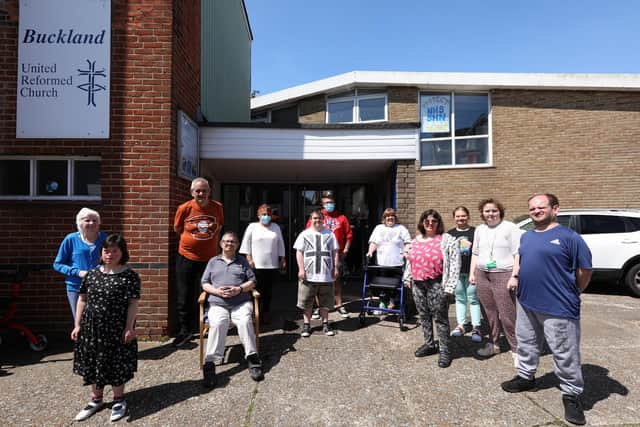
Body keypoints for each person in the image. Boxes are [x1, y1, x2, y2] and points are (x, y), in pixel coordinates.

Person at [501, 194, 592, 426]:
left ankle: (571, 394)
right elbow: (521, 260)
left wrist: (574, 292)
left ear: (555, 209)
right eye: (532, 207)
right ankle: (526, 376)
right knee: (527, 343)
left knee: (564, 351)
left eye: (541, 207)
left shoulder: (570, 237)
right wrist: (516, 277)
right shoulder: (528, 236)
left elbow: (585, 270)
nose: (536, 211)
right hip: (526, 301)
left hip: (558, 306)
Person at [71, 234, 140, 422]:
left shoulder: (130, 276)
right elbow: (82, 299)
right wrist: (77, 325)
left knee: (116, 362)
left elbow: (133, 304)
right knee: (93, 362)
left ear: (122, 252)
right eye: (106, 250)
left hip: (116, 328)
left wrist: (129, 328)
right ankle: (96, 400)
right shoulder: (92, 273)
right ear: (101, 252)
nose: (109, 254)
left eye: (114, 251)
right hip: (91, 328)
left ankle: (119, 400)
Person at [201, 231, 263, 388]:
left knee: (244, 321)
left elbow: (253, 282)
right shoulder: (213, 262)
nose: (229, 244)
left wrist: (239, 289)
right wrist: (216, 291)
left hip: (240, 302)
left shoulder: (242, 262)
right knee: (218, 323)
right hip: (218, 303)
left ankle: (252, 359)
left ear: (237, 245)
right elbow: (204, 283)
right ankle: (210, 364)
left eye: (233, 242)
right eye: (227, 241)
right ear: (221, 244)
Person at [404, 209, 460, 368]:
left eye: (433, 221)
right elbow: (411, 260)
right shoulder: (416, 240)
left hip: (436, 283)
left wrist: (450, 286)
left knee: (441, 318)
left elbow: (455, 264)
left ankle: (445, 350)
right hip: (418, 283)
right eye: (426, 221)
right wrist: (407, 276)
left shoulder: (446, 239)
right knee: (423, 316)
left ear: (438, 223)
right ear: (422, 222)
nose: (430, 223)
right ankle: (429, 344)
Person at [173, 177, 224, 347]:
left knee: (211, 293)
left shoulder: (217, 207)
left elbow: (220, 225)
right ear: (192, 192)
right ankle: (185, 330)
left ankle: (209, 325)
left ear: (210, 192)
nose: (201, 194)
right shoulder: (184, 208)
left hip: (210, 259)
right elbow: (178, 229)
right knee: (184, 295)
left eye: (204, 190)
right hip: (186, 257)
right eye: (197, 191)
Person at [469, 198, 521, 363]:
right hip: (482, 274)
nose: (490, 214)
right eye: (487, 211)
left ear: (500, 212)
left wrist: (515, 276)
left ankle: (516, 349)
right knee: (489, 312)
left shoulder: (510, 228)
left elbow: (517, 254)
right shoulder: (479, 230)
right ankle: (494, 344)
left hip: (503, 274)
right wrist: (472, 273)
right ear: (482, 213)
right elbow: (475, 253)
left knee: (507, 313)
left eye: (494, 210)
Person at [53, 207, 107, 322]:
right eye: (87, 220)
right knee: (81, 322)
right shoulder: (71, 239)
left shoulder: (104, 238)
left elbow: (110, 259)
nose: (91, 223)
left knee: (100, 321)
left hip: (100, 286)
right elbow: (57, 264)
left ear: (99, 223)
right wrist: (78, 272)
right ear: (79, 223)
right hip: (76, 287)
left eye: (95, 220)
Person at [306, 190, 352, 318]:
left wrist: (346, 250)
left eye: (331, 202)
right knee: (318, 281)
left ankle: (339, 304)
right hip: (320, 254)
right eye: (326, 203)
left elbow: (349, 235)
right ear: (322, 205)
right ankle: (318, 307)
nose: (329, 204)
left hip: (337, 254)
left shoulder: (341, 218)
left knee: (336, 280)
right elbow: (307, 234)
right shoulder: (317, 217)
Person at [295, 209, 340, 337]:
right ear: (311, 219)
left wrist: (335, 267)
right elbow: (299, 252)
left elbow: (335, 252)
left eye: (319, 218)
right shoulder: (304, 234)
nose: (317, 220)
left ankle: (325, 324)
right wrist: (301, 269)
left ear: (323, 220)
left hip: (326, 274)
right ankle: (306, 325)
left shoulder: (330, 234)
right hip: (309, 274)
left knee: (325, 301)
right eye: (314, 218)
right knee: (307, 301)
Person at [240, 204, 286, 324]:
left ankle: (266, 313)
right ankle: (254, 313)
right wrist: (249, 258)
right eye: (263, 214)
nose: (266, 216)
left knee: (268, 291)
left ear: (271, 216)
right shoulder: (252, 227)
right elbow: (246, 243)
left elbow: (280, 243)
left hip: (271, 264)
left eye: (268, 214)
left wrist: (282, 258)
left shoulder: (275, 227)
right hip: (256, 265)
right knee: (255, 290)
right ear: (258, 215)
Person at [366, 208, 411, 312]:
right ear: (384, 218)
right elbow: (374, 242)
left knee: (396, 285)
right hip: (382, 263)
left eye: (392, 216)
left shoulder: (401, 228)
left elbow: (407, 242)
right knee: (383, 285)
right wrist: (370, 252)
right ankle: (383, 303)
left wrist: (406, 251)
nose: (390, 218)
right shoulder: (378, 228)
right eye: (387, 216)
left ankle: (394, 302)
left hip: (397, 263)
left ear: (395, 218)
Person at [447, 206, 481, 342]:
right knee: (460, 298)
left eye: (463, 216)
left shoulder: (476, 232)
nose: (461, 218)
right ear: (454, 218)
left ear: (468, 216)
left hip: (473, 272)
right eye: (458, 216)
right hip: (457, 273)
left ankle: (476, 327)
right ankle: (461, 325)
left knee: (473, 299)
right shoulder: (450, 234)